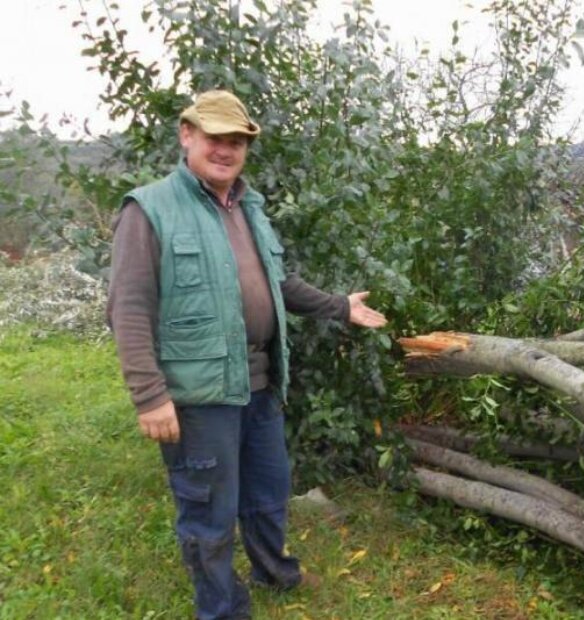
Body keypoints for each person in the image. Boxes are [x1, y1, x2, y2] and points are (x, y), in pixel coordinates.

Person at [107, 89, 387, 620]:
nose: (226, 149)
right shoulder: (149, 210)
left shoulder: (248, 207)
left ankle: (273, 572)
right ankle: (222, 609)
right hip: (199, 394)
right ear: (187, 135)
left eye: (237, 141)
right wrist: (149, 396)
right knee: (209, 511)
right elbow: (129, 308)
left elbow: (277, 282)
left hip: (259, 383)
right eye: (215, 137)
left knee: (268, 492)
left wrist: (339, 307)